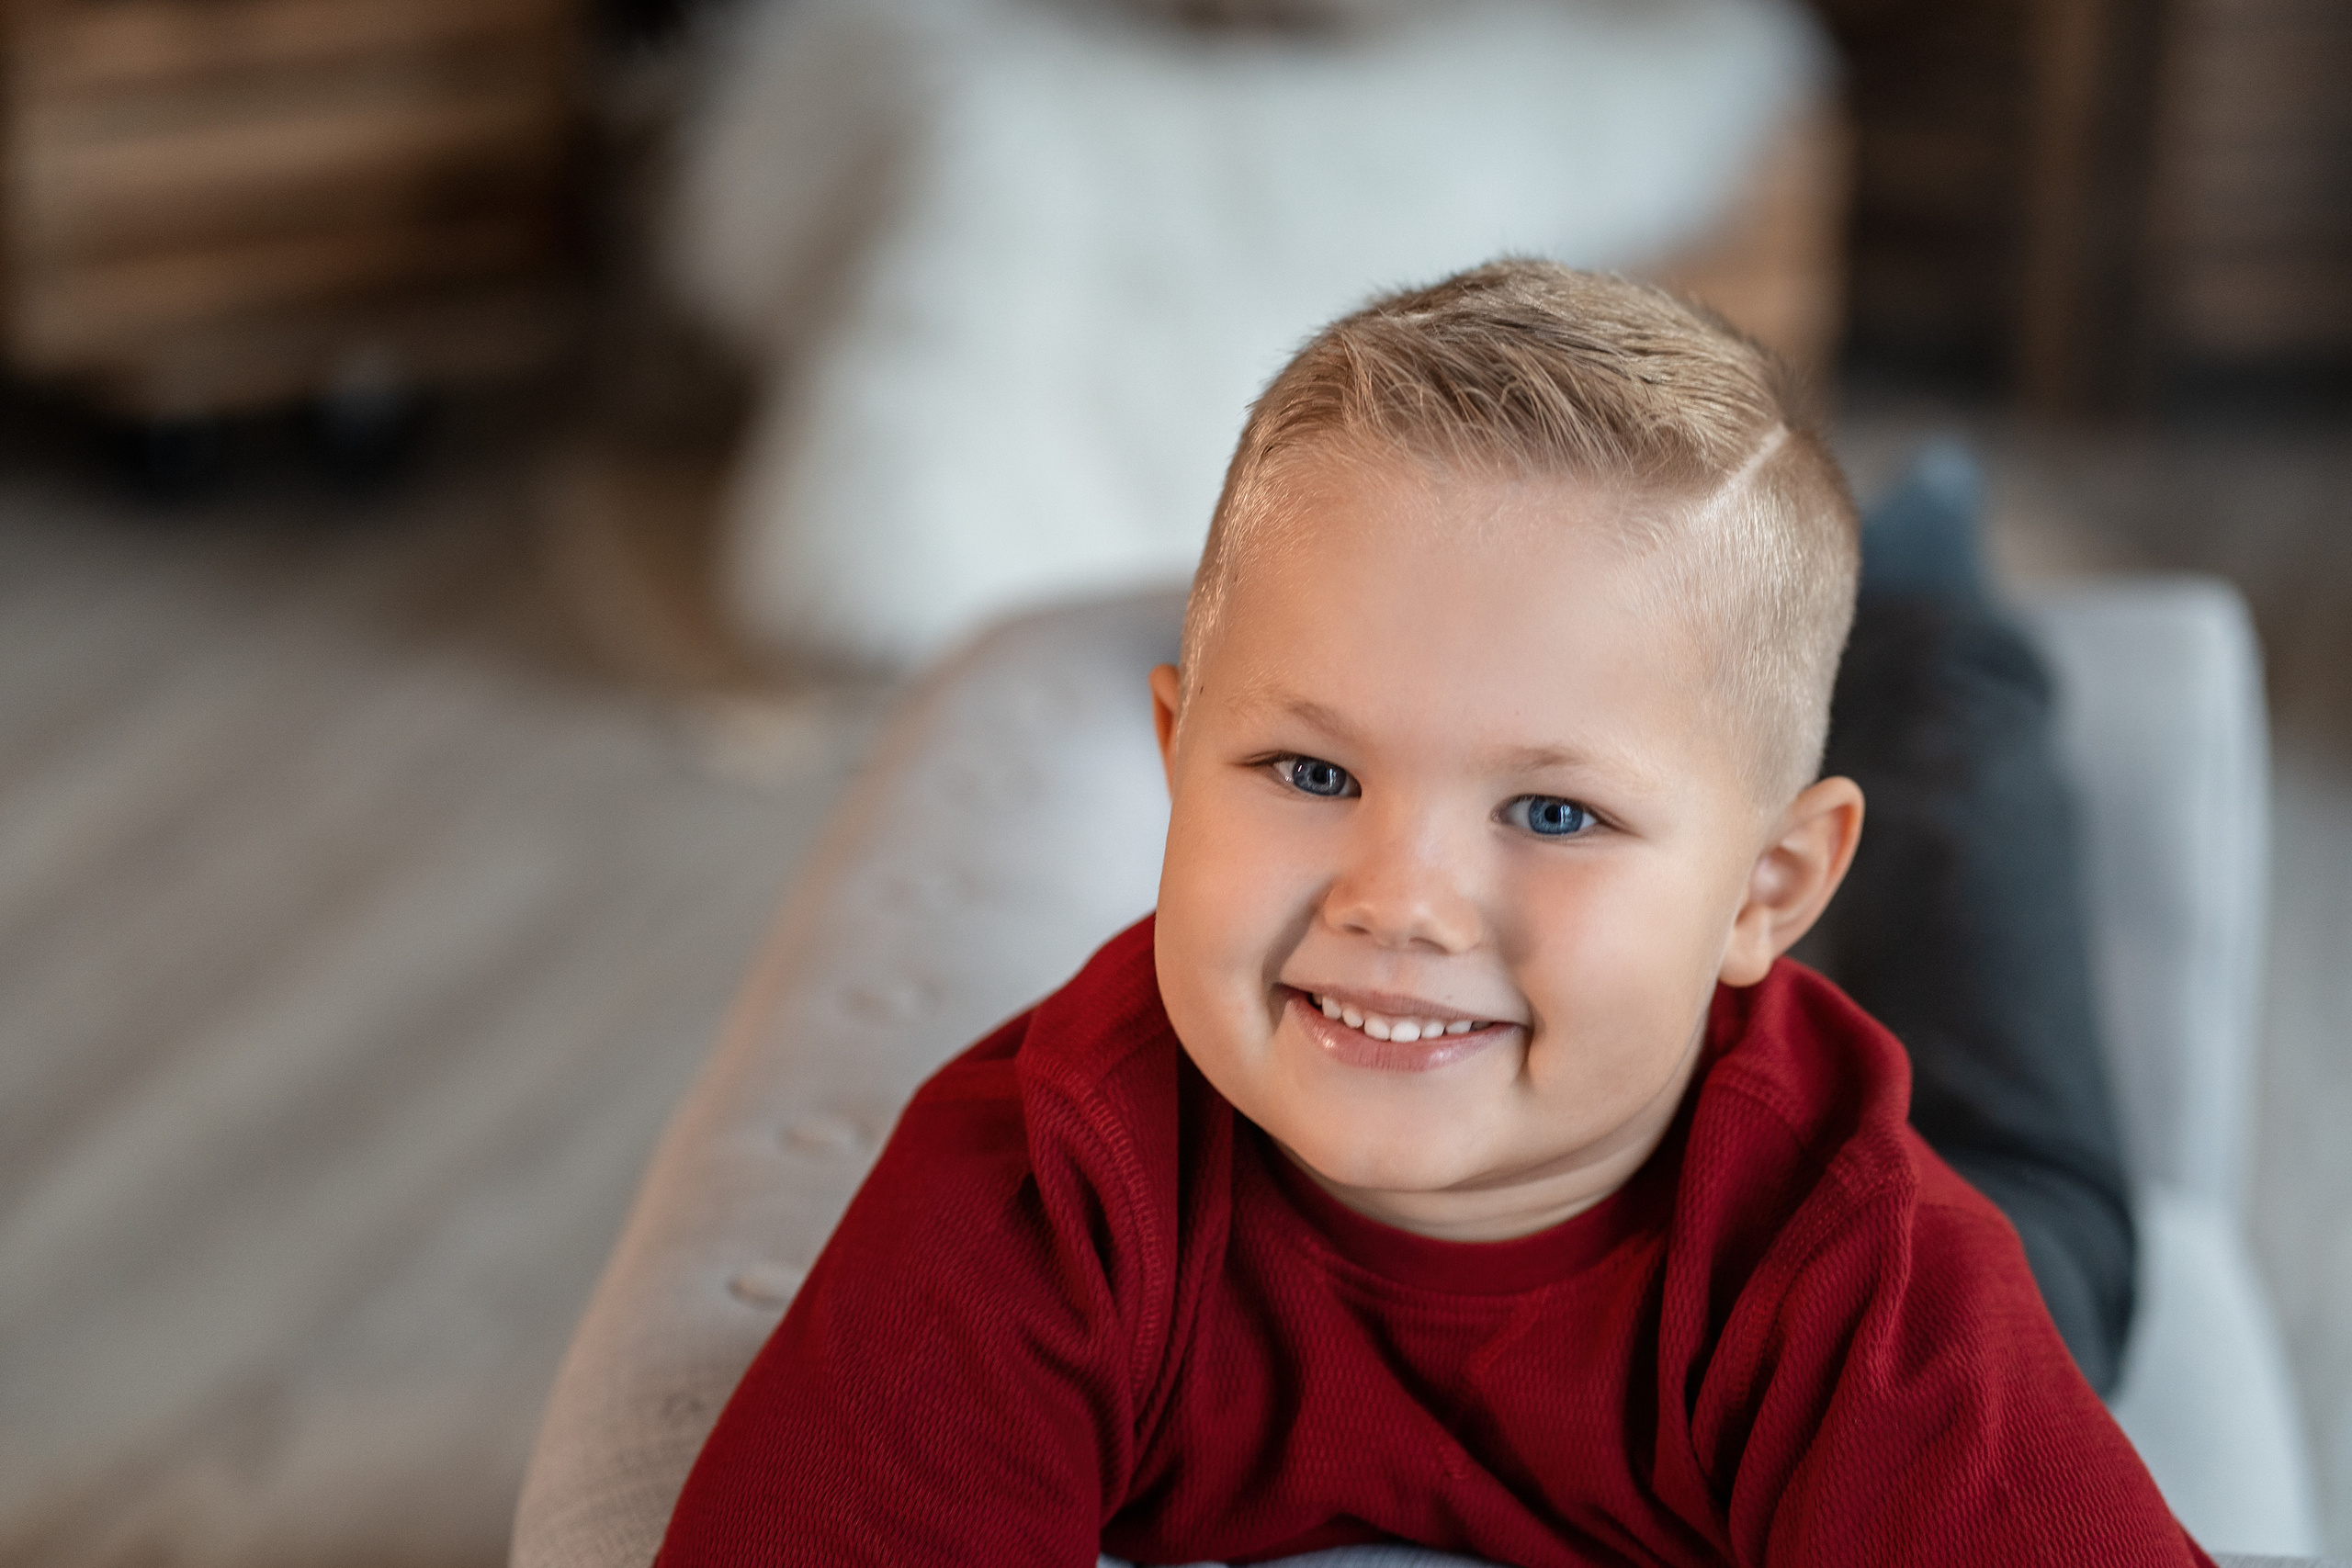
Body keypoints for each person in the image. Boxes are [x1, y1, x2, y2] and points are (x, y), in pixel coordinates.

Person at [656, 261, 2191, 1566]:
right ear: (1175, 759)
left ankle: (1938, 623)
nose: (1397, 898)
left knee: (2029, 1131)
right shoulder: (1051, 1190)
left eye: (1553, 811)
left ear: (1767, 890)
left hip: (1941, 1218)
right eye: (1309, 766)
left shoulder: (1874, 1282)